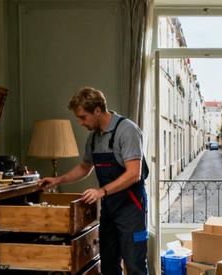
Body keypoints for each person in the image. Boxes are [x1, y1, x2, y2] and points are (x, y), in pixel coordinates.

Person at [40, 87, 149, 275]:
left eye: (83, 117)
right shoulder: (93, 138)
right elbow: (84, 167)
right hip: (110, 209)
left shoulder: (127, 130)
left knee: (134, 265)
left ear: (97, 110)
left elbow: (134, 174)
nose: (80, 122)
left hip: (132, 208)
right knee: (108, 265)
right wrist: (59, 180)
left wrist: (101, 192)